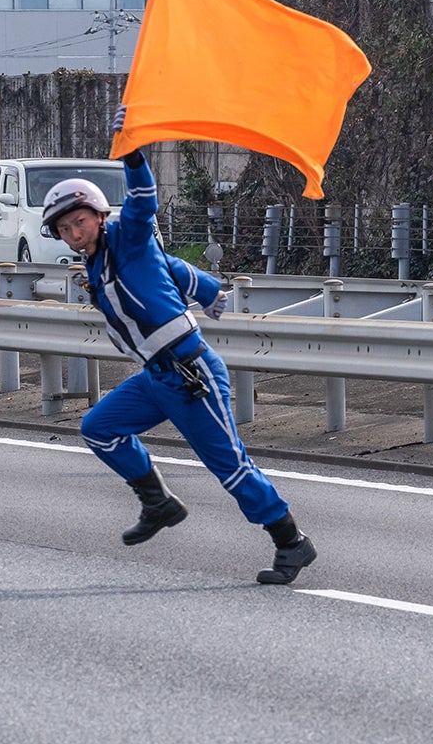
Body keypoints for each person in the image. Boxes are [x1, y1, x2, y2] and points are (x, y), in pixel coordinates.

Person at [39, 118, 318, 585]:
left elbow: (145, 198)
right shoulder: (98, 266)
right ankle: (158, 502)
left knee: (229, 467)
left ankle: (291, 541)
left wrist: (130, 150)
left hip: (191, 374)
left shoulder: (127, 236)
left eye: (79, 221)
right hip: (157, 378)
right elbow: (169, 267)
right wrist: (208, 290)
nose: (73, 232)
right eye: (65, 228)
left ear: (99, 215)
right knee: (99, 428)